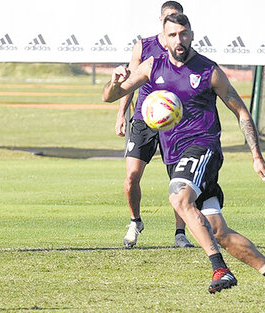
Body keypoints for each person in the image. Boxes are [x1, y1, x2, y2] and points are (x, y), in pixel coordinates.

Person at [102, 13, 265, 300]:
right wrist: (115, 82)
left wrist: (256, 155)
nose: (179, 40)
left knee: (179, 197)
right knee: (218, 231)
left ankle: (219, 269)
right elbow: (110, 96)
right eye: (172, 35)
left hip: (203, 148)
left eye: (183, 34)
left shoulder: (208, 71)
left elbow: (241, 112)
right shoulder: (153, 66)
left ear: (191, 34)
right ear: (163, 38)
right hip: (175, 155)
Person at [116, 1, 193, 249]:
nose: (172, 21)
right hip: (143, 119)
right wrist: (121, 115)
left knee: (178, 180)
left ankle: (180, 233)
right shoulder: (145, 46)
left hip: (174, 122)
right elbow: (130, 81)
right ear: (161, 20)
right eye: (168, 17)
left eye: (177, 17)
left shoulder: (183, 49)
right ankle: (134, 221)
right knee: (131, 177)